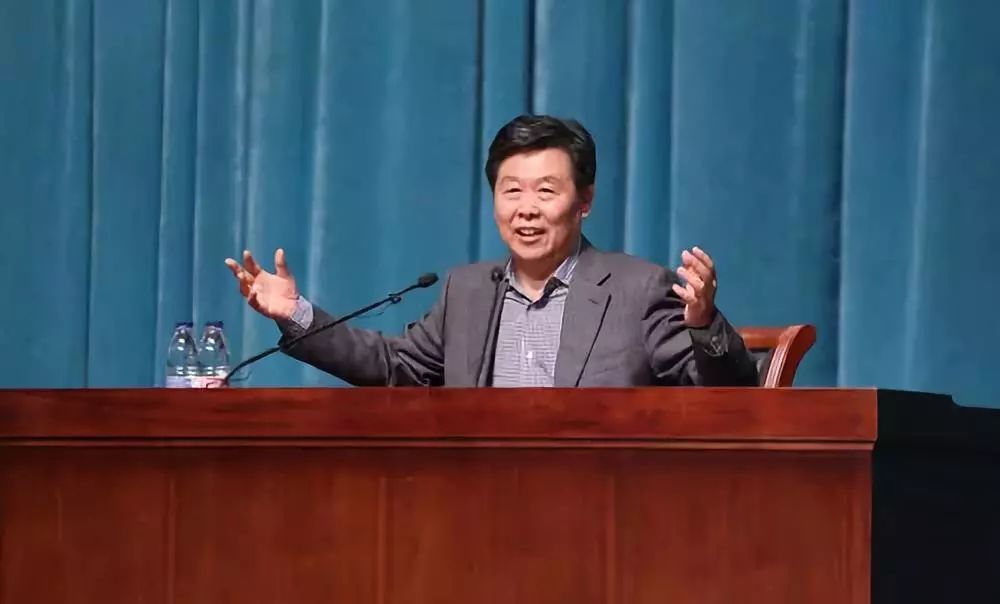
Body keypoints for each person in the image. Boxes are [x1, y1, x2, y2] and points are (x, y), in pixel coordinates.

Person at [225, 115, 759, 387]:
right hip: (475, 502)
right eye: (511, 191)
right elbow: (395, 367)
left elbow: (729, 392)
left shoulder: (637, 289)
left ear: (585, 202)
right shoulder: (467, 292)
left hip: (597, 510)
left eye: (546, 191)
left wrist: (703, 323)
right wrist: (295, 313)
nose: (526, 209)